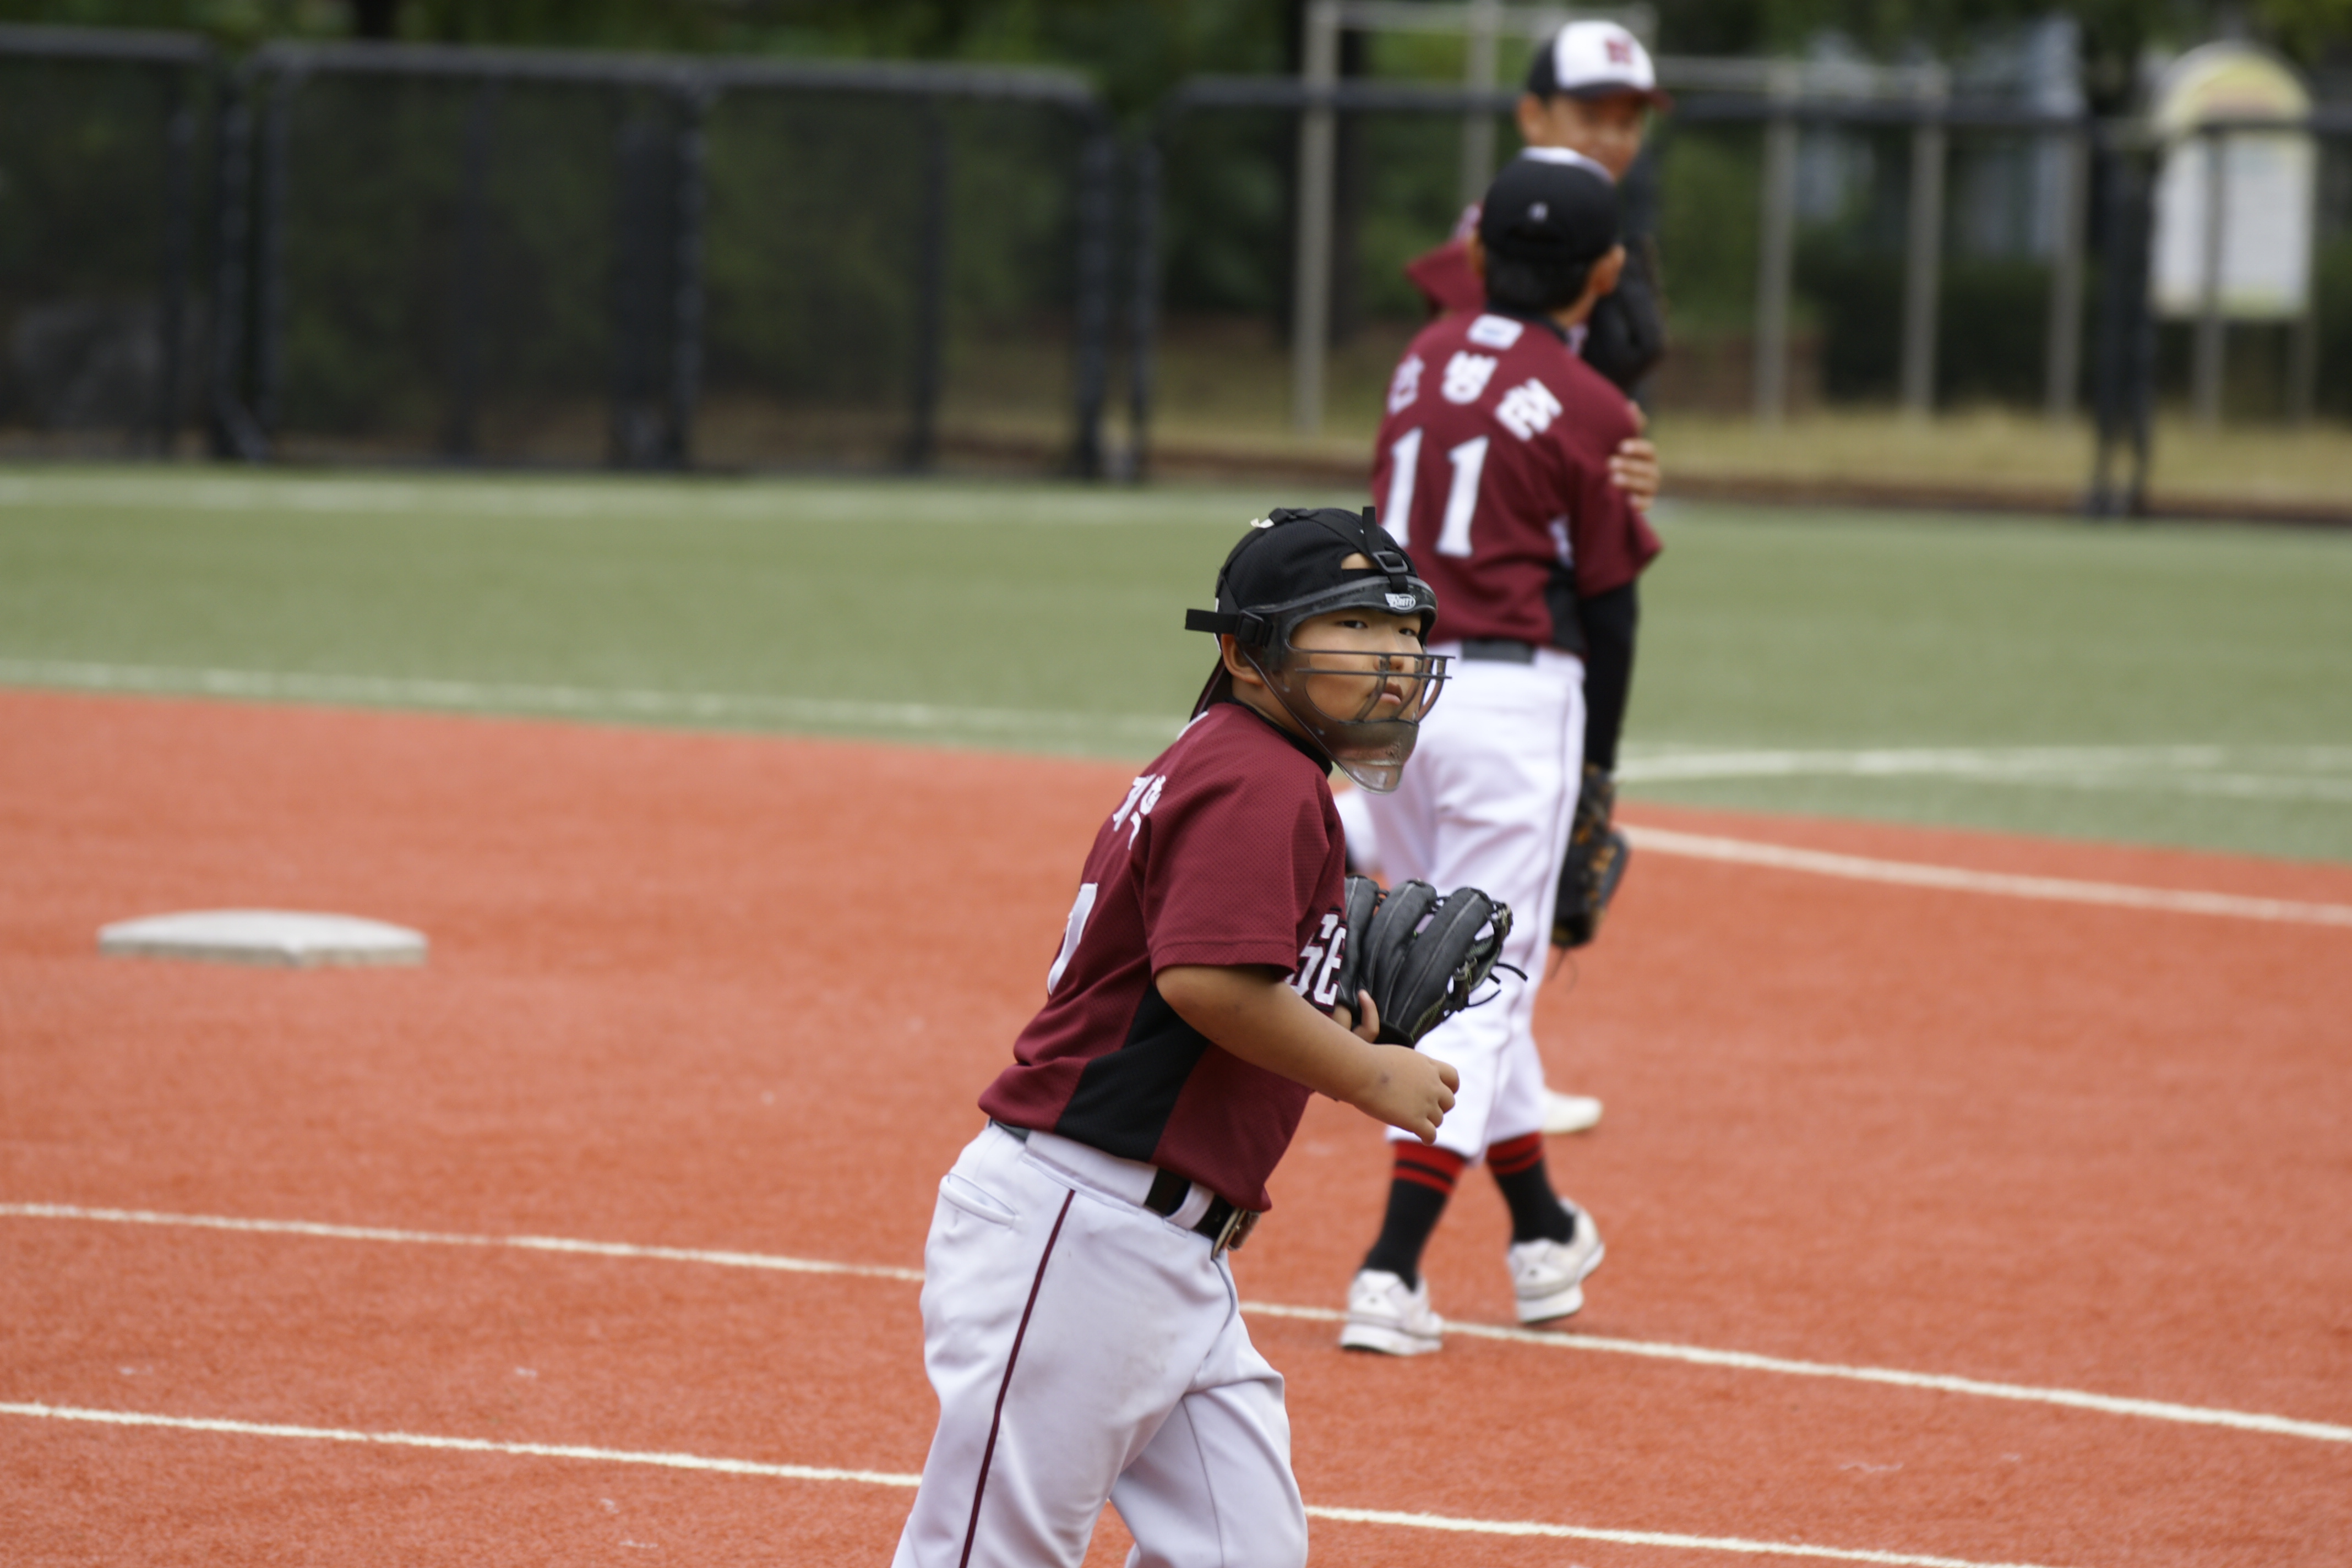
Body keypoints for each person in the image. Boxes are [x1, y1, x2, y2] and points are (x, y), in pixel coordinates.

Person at [891, 508, 1461, 1567]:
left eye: (1407, 630)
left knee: (1240, 1549)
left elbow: (1214, 986)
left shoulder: (1242, 760)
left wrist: (1332, 1014)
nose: (1393, 656)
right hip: (1085, 1224)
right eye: (1353, 626)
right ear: (1246, 651)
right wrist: (1368, 1074)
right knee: (994, 1552)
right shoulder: (1261, 777)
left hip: (1160, 1244)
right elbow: (1203, 983)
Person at [1337, 154, 1662, 1356]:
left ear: (1476, 256)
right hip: (1516, 698)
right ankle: (1391, 1267)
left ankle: (1540, 1230)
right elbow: (1612, 606)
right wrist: (1598, 772)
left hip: (1395, 685)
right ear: (1607, 271)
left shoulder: (1422, 357)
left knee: (1444, 953)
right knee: (1484, 971)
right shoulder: (1594, 406)